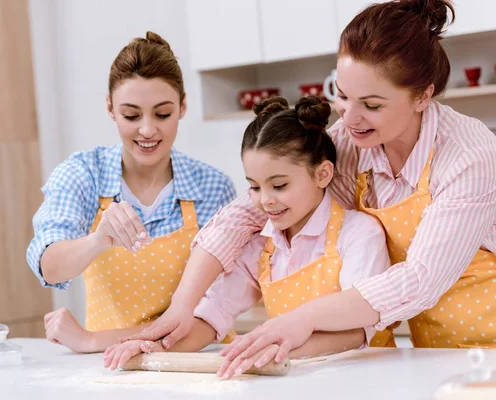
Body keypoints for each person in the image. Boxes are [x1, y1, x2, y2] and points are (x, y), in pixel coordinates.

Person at [131, 0, 496, 361]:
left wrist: (298, 322)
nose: (350, 118)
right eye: (342, 95)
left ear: (423, 96)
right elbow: (245, 214)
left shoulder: (467, 156)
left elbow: (421, 280)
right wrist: (181, 307)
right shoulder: (353, 144)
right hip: (437, 354)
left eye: (371, 105)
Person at [104, 96, 391, 376]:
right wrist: (155, 348)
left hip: (366, 379)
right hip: (293, 381)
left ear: (322, 174)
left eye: (279, 185)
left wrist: (273, 350)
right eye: (254, 187)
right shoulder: (261, 245)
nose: (265, 200)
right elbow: (212, 314)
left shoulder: (358, 234)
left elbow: (356, 332)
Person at [26, 31, 236, 353]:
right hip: (110, 369)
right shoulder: (84, 175)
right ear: (111, 109)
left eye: (162, 114)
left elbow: (212, 311)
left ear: (182, 107)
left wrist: (92, 340)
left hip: (194, 360)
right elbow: (49, 265)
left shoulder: (213, 188)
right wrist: (97, 241)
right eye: (131, 115)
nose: (148, 130)